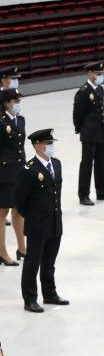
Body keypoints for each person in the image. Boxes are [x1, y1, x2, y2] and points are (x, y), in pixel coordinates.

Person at [15, 129, 68, 312]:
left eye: (52, 143)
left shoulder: (57, 164)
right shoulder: (29, 169)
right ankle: (30, 298)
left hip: (54, 221)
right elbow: (20, 201)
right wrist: (34, 217)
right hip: (37, 224)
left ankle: (50, 293)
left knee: (49, 261)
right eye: (48, 143)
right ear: (37, 146)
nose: (51, 147)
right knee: (32, 263)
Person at [73, 61, 104, 206]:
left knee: (101, 162)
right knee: (86, 164)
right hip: (89, 132)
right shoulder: (83, 92)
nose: (100, 76)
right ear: (89, 73)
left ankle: (101, 190)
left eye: (101, 74)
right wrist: (81, 130)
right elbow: (77, 114)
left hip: (101, 131)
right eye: (97, 74)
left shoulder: (100, 89)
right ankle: (83, 194)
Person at [0, 89, 25, 266]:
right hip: (5, 173)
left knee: (19, 210)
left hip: (19, 171)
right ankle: (2, 252)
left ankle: (22, 248)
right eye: (15, 101)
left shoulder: (21, 120)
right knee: (2, 213)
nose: (18, 104)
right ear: (7, 103)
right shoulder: (1, 122)